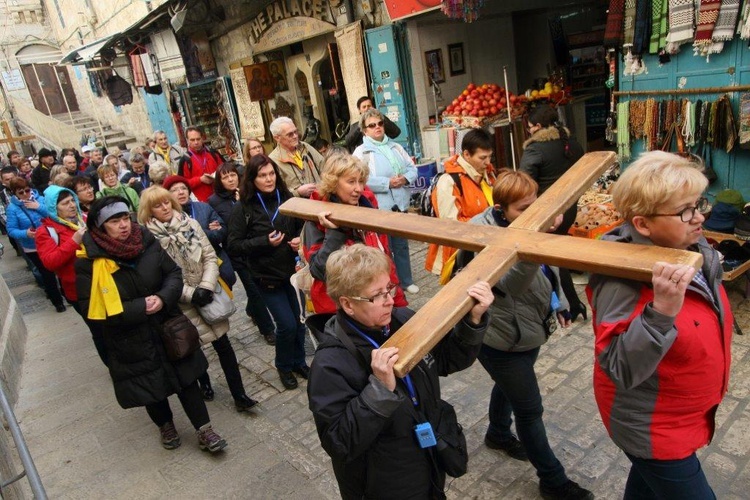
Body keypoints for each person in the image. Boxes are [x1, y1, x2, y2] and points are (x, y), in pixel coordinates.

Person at [587, 151, 732, 499]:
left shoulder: (691, 248)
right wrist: (661, 311)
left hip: (684, 413)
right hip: (653, 426)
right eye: (685, 211)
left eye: (699, 204)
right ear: (642, 224)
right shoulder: (621, 278)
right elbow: (619, 367)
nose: (698, 217)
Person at [307, 244, 493, 499]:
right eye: (377, 296)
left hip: (427, 456)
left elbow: (448, 361)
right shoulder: (330, 364)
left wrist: (473, 320)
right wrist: (379, 390)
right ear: (348, 305)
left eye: (389, 288)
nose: (390, 300)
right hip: (384, 482)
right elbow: (339, 442)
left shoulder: (403, 319)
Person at [458, 169, 594, 500]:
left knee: (508, 387)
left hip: (526, 331)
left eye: (535, 205)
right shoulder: (482, 234)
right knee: (530, 410)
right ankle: (553, 479)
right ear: (502, 208)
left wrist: (560, 303)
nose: (531, 214)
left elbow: (550, 271)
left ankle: (498, 433)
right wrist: (538, 235)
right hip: (498, 339)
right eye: (523, 208)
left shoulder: (526, 225)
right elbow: (515, 285)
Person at [75, 196, 227, 452]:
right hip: (129, 336)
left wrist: (162, 297)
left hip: (167, 324)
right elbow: (90, 307)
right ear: (100, 227)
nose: (123, 225)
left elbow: (172, 273)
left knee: (187, 378)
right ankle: (165, 425)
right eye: (115, 221)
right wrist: (138, 308)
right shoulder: (88, 263)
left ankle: (205, 430)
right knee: (150, 385)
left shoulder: (146, 241)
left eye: (125, 218)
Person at [138, 187, 258, 413]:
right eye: (157, 205)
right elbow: (159, 277)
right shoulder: (149, 240)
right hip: (180, 301)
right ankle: (204, 383)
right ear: (148, 210)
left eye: (166, 202)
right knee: (193, 345)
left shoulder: (190, 224)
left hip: (207, 290)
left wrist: (206, 286)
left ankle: (239, 394)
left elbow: (210, 256)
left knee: (223, 344)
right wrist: (190, 294)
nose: (164, 208)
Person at [226, 154, 307, 390]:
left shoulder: (287, 198)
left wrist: (297, 240)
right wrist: (263, 242)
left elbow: (301, 226)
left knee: (300, 322)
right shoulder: (243, 208)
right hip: (266, 277)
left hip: (292, 272)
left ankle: (299, 362)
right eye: (262, 175)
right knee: (286, 325)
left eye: (271, 174)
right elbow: (234, 245)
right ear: (253, 178)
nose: (269, 179)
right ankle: (283, 366)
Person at [303, 153, 408, 314]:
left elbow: (385, 257)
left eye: (361, 181)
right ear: (333, 183)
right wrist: (336, 230)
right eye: (351, 182)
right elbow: (319, 271)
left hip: (380, 300)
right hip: (344, 310)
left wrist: (397, 299)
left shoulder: (368, 206)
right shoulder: (317, 215)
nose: (358, 189)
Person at [520, 105, 586, 322]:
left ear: (538, 127)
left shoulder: (535, 149)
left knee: (555, 259)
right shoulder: (570, 142)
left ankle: (572, 304)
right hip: (569, 207)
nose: (529, 131)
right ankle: (573, 303)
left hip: (547, 212)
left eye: (530, 127)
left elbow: (524, 183)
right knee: (559, 254)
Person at [36, 185, 107, 364]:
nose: (71, 206)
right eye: (65, 203)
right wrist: (74, 241)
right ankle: (112, 364)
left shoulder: (84, 219)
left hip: (106, 281)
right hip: (80, 291)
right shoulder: (46, 232)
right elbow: (50, 262)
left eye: (72, 201)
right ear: (54, 208)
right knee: (99, 331)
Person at [353, 108, 419, 294]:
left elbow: (412, 168)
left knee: (401, 245)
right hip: (379, 208)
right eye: (372, 125)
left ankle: (406, 281)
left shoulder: (395, 147)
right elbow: (359, 180)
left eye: (380, 123)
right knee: (382, 249)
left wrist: (405, 179)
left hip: (400, 204)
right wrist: (386, 183)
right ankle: (388, 285)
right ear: (365, 131)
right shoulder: (361, 152)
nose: (377, 128)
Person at [210, 162, 277, 345]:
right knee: (255, 291)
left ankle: (251, 309)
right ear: (219, 180)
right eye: (225, 177)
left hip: (257, 247)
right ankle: (267, 329)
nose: (231, 179)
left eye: (233, 175)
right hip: (238, 254)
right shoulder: (214, 201)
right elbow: (221, 227)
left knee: (257, 289)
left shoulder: (248, 192)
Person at [425, 128, 497, 277]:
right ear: (466, 155)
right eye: (482, 158)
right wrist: (489, 224)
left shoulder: (488, 173)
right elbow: (452, 226)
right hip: (461, 257)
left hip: (486, 248)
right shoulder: (449, 182)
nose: (488, 162)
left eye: (490, 157)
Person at [162, 175, 236, 291]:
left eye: (184, 188)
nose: (181, 192)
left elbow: (221, 233)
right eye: (175, 190)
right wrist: (204, 231)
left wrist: (194, 233)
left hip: (217, 265)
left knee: (225, 306)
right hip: (191, 274)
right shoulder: (166, 218)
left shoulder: (204, 208)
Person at [6, 177, 66, 312]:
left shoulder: (40, 199)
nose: (25, 194)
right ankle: (57, 302)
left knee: (60, 267)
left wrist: (38, 207)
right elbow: (11, 230)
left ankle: (65, 292)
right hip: (32, 246)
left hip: (51, 240)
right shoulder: (12, 208)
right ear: (14, 193)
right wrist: (25, 233)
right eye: (21, 192)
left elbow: (54, 214)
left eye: (27, 190)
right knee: (47, 273)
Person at [268, 116, 324, 198]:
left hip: (320, 199)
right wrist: (298, 192)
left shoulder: (305, 147)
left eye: (296, 132)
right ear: (277, 138)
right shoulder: (273, 160)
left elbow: (324, 166)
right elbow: (276, 193)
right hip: (297, 206)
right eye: (290, 134)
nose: (295, 136)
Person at [177, 127, 224, 202]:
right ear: (187, 140)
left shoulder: (213, 153)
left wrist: (217, 176)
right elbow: (182, 185)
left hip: (221, 197)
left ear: (202, 138)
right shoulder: (185, 160)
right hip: (202, 203)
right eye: (192, 140)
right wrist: (200, 180)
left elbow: (226, 170)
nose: (196, 142)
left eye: (198, 139)